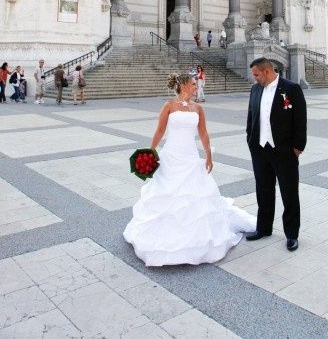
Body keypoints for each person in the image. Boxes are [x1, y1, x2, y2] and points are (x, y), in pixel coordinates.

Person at [124, 73, 255, 266]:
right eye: (193, 84)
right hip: (171, 157)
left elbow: (203, 133)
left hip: (190, 157)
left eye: (196, 84)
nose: (196, 87)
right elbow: (160, 131)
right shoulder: (169, 106)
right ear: (184, 85)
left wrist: (209, 155)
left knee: (195, 195)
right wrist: (150, 151)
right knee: (167, 195)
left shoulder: (198, 108)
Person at [246, 57, 307, 252]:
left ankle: (292, 235)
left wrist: (297, 147)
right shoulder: (255, 90)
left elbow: (300, 121)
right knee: (263, 190)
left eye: (256, 75)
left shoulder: (291, 89)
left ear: (266, 71)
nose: (254, 78)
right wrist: (250, 140)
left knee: (289, 193)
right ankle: (263, 228)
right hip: (260, 149)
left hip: (285, 152)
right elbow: (251, 117)